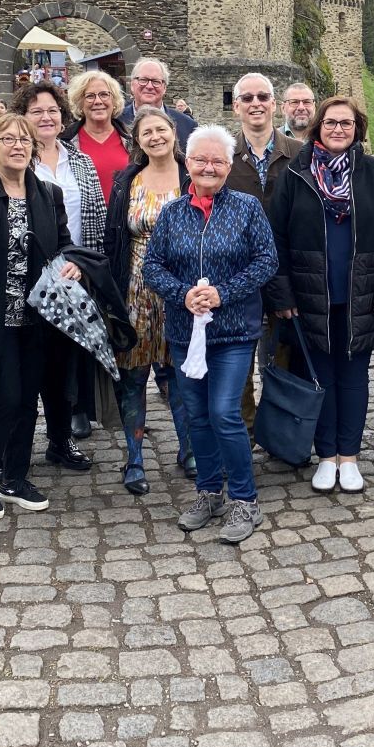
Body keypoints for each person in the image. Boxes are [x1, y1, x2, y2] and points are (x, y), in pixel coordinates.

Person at [143, 125, 277, 545]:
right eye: (201, 159)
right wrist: (183, 295)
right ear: (188, 163)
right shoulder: (172, 213)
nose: (209, 167)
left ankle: (243, 497)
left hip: (234, 332)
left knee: (224, 412)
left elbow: (266, 261)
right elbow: (153, 266)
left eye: (218, 161)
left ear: (228, 165)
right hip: (186, 333)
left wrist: (223, 293)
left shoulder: (247, 208)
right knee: (196, 416)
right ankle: (208, 491)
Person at [268, 96, 374, 493]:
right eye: (331, 122)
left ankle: (350, 456)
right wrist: (283, 293)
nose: (339, 129)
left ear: (357, 128)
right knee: (320, 377)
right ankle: (326, 455)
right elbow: (276, 236)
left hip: (360, 294)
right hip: (312, 295)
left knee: (355, 378)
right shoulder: (297, 173)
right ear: (318, 127)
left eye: (346, 123)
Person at [0, 114, 80, 522]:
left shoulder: (47, 194)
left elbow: (64, 244)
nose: (18, 145)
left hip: (38, 316)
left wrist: (71, 265)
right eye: (8, 139)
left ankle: (14, 477)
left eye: (25, 140)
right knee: (5, 397)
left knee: (28, 400)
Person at [12, 81, 105, 467]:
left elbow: (96, 217)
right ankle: (13, 449)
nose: (46, 117)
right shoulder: (15, 157)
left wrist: (87, 266)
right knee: (22, 369)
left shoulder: (79, 159)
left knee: (61, 365)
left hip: (71, 277)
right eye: (36, 111)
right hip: (22, 278)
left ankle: (60, 441)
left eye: (52, 110)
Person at [105, 106, 192, 493]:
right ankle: (134, 458)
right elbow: (114, 239)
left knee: (178, 374)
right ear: (137, 142)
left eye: (161, 130)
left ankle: (189, 448)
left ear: (173, 132)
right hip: (135, 289)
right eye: (146, 134)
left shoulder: (192, 174)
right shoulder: (127, 180)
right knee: (133, 375)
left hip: (182, 289)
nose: (155, 137)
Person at [225, 72, 302, 430]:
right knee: (238, 360)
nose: (256, 104)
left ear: (274, 104)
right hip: (237, 275)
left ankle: (279, 430)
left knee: (282, 356)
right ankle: (245, 429)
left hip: (287, 274)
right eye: (248, 98)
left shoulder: (300, 155)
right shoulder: (224, 157)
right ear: (236, 106)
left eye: (262, 97)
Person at [63, 69, 132, 203]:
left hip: (122, 220)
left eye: (104, 94)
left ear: (114, 101)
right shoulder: (66, 143)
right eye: (90, 96)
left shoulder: (131, 141)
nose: (98, 101)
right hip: (83, 221)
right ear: (80, 103)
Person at [120, 57, 197, 146]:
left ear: (164, 88)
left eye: (156, 81)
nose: (149, 86)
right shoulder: (115, 121)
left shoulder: (187, 126)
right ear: (132, 85)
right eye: (143, 80)